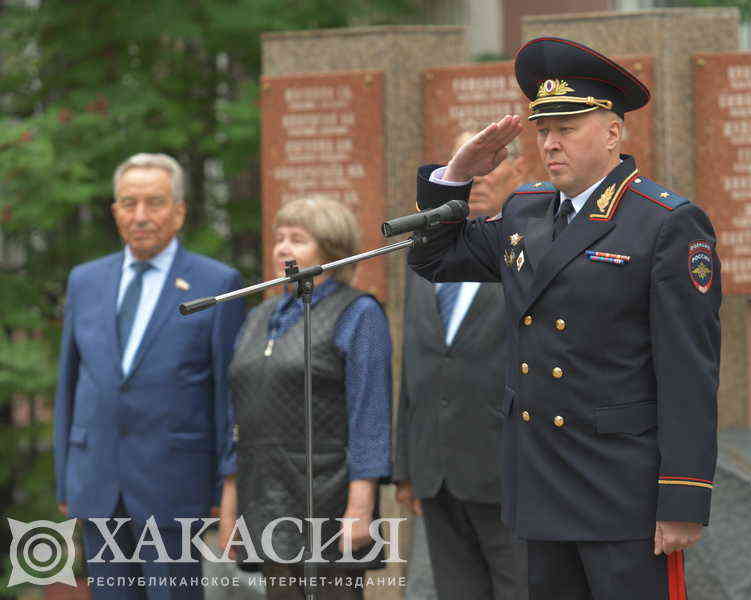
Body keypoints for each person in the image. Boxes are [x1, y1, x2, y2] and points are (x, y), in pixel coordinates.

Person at [407, 37, 722, 600]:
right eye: (543, 129)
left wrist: (684, 497)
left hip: (622, 490)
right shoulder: (526, 211)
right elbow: (433, 258)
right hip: (541, 482)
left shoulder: (664, 223)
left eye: (567, 128)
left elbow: (689, 372)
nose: (550, 144)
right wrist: (456, 173)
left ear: (611, 131)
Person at [53, 153, 246, 599]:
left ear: (179, 211)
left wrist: (228, 481)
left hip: (176, 485)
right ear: (115, 211)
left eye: (155, 203)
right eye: (128, 203)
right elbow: (70, 383)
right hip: (99, 480)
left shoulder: (218, 283)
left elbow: (228, 395)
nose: (141, 216)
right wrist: (66, 477)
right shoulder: (85, 280)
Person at [220, 196, 392, 600]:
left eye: (297, 239)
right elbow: (238, 415)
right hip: (263, 491)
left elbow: (370, 413)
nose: (282, 248)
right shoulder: (258, 318)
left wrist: (361, 506)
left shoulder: (358, 312)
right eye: (279, 239)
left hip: (328, 495)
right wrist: (230, 504)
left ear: (331, 250)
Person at [395, 132, 529, 600]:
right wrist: (405, 463)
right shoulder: (429, 258)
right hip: (436, 466)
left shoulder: (530, 250)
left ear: (520, 170)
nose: (474, 180)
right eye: (463, 168)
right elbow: (415, 362)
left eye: (487, 165)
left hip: (507, 467)